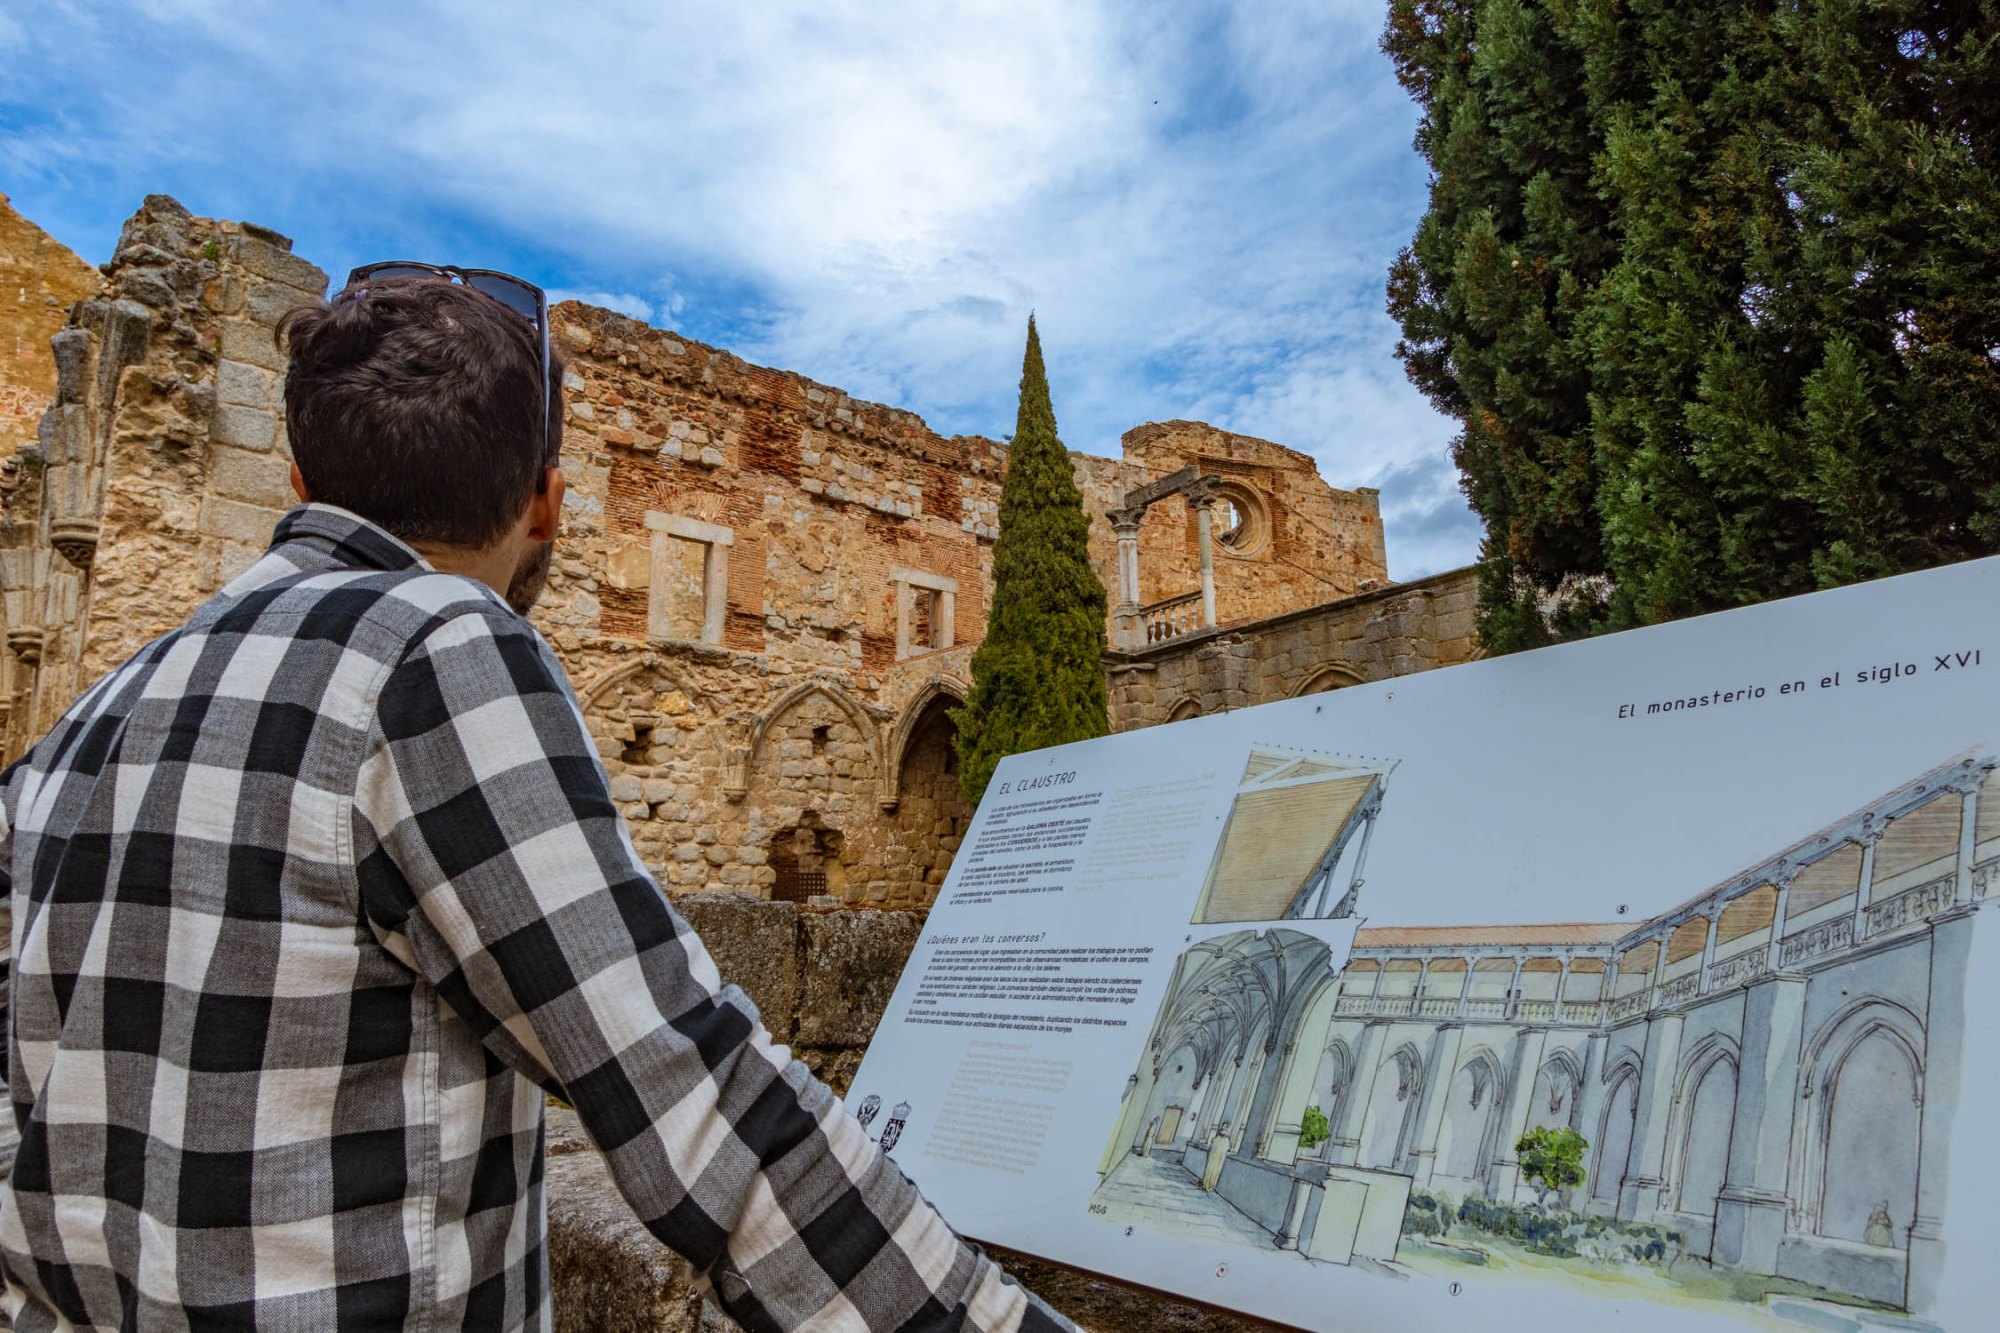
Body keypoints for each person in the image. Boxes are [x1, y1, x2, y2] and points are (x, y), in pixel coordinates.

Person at [0, 266, 1069, 1331]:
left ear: (298, 480)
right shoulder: (433, 650)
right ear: (547, 503)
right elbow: (690, 1102)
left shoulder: (93, 713)